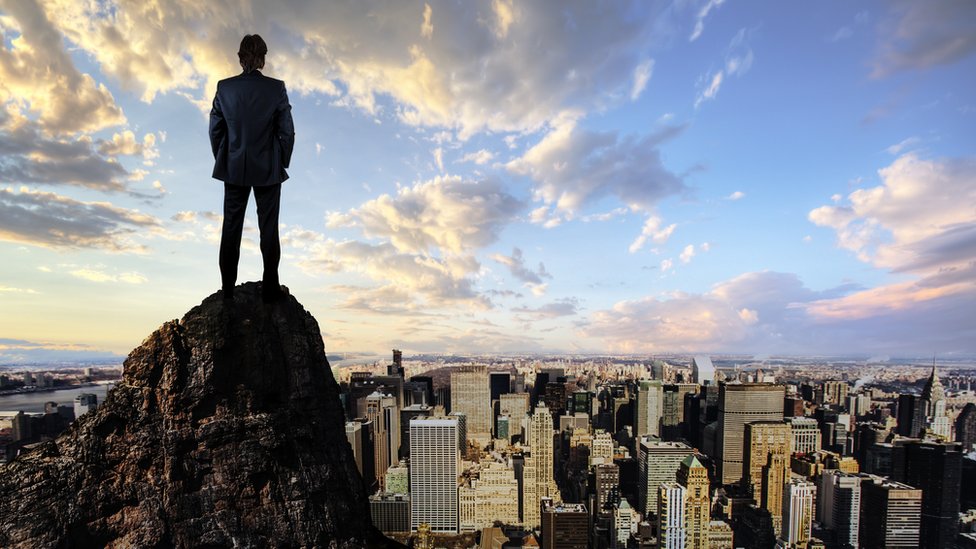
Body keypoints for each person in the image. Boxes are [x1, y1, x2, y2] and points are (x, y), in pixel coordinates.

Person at [209, 34, 295, 302]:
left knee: (231, 228)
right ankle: (270, 288)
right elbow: (288, 132)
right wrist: (281, 161)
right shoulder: (276, 88)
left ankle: (227, 291)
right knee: (269, 229)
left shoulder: (224, 88)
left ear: (240, 57)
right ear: (263, 58)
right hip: (268, 168)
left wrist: (225, 157)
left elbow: (215, 129)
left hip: (233, 167)